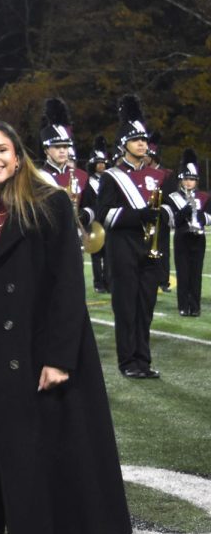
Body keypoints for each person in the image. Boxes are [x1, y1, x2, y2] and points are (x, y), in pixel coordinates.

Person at [0, 121, 132, 534]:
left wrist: (58, 358)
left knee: (63, 463)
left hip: (51, 355)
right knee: (22, 467)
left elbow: (68, 286)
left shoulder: (51, 201)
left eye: (2, 149)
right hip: (4, 357)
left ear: (18, 157)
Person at [98, 95, 166, 379]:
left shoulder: (157, 175)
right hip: (122, 249)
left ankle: (144, 361)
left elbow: (174, 207)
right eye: (136, 140)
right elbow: (106, 215)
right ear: (123, 144)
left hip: (149, 249)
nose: (142, 144)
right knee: (126, 308)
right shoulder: (112, 177)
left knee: (145, 307)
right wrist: (140, 215)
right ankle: (128, 362)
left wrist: (166, 210)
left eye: (144, 140)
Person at [168, 149, 208, 316]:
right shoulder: (173, 197)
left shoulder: (204, 197)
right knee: (183, 272)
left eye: (192, 179)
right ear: (180, 180)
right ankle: (183, 306)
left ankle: (195, 306)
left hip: (198, 238)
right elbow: (170, 221)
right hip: (182, 238)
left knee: (196, 273)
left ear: (196, 181)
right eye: (186, 179)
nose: (189, 182)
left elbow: (210, 217)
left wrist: (201, 217)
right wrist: (182, 213)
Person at [85, 136, 110, 292]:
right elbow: (87, 202)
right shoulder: (88, 182)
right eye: (99, 163)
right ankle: (98, 283)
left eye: (103, 163)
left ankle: (108, 282)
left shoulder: (110, 180)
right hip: (94, 220)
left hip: (107, 221)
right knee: (96, 253)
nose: (102, 165)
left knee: (108, 254)